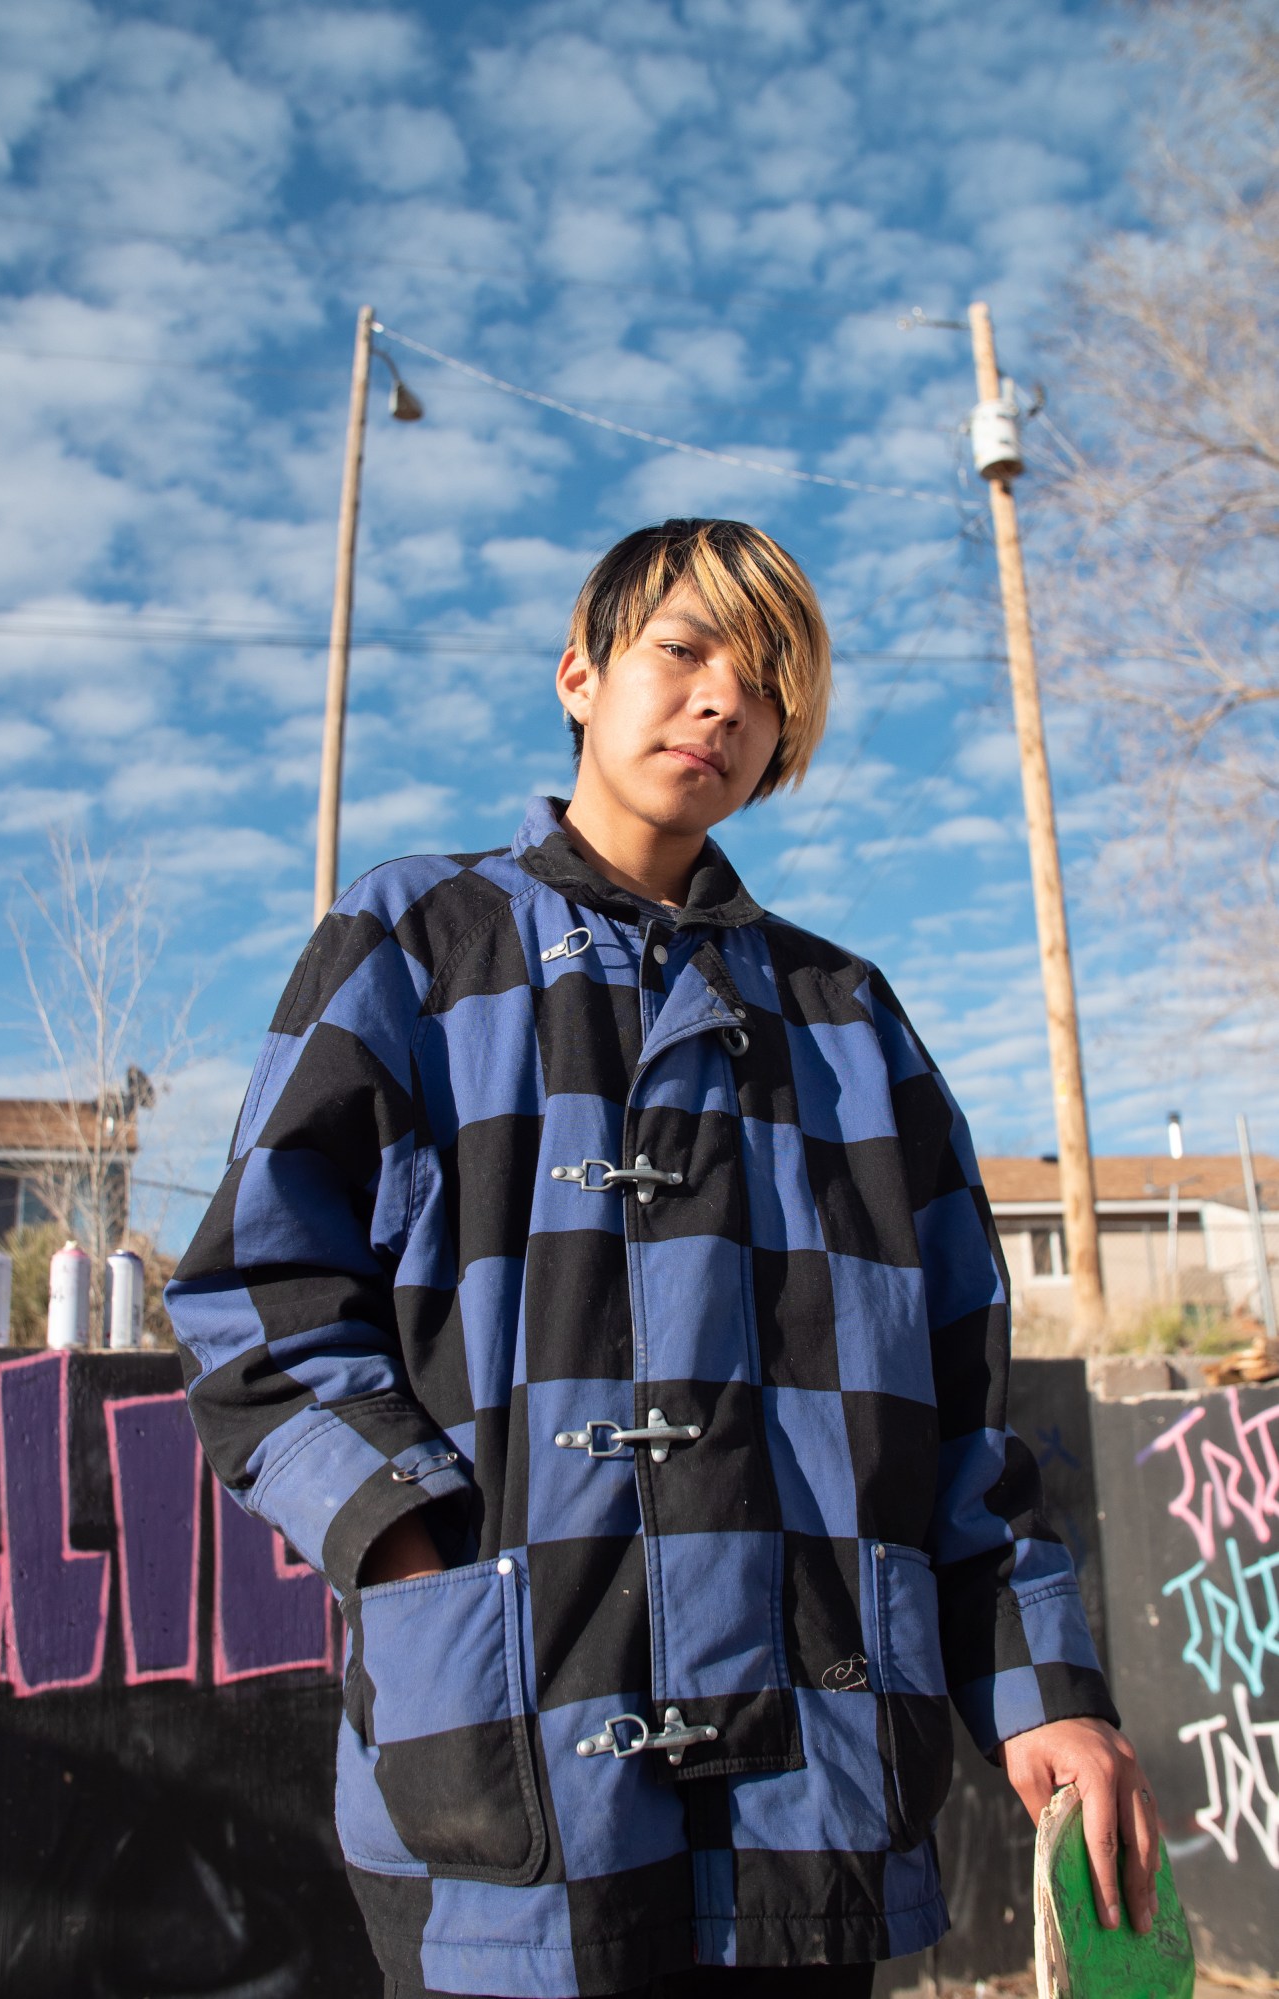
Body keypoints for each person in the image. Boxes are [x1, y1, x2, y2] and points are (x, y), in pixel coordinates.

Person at [167, 518, 1158, 1999]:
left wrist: (1047, 1695)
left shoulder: (847, 1018)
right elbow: (255, 1301)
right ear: (579, 674)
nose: (718, 702)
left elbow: (960, 1415)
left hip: (812, 1793)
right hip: (507, 1755)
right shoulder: (418, 942)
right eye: (681, 651)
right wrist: (413, 1556)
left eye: (764, 687)